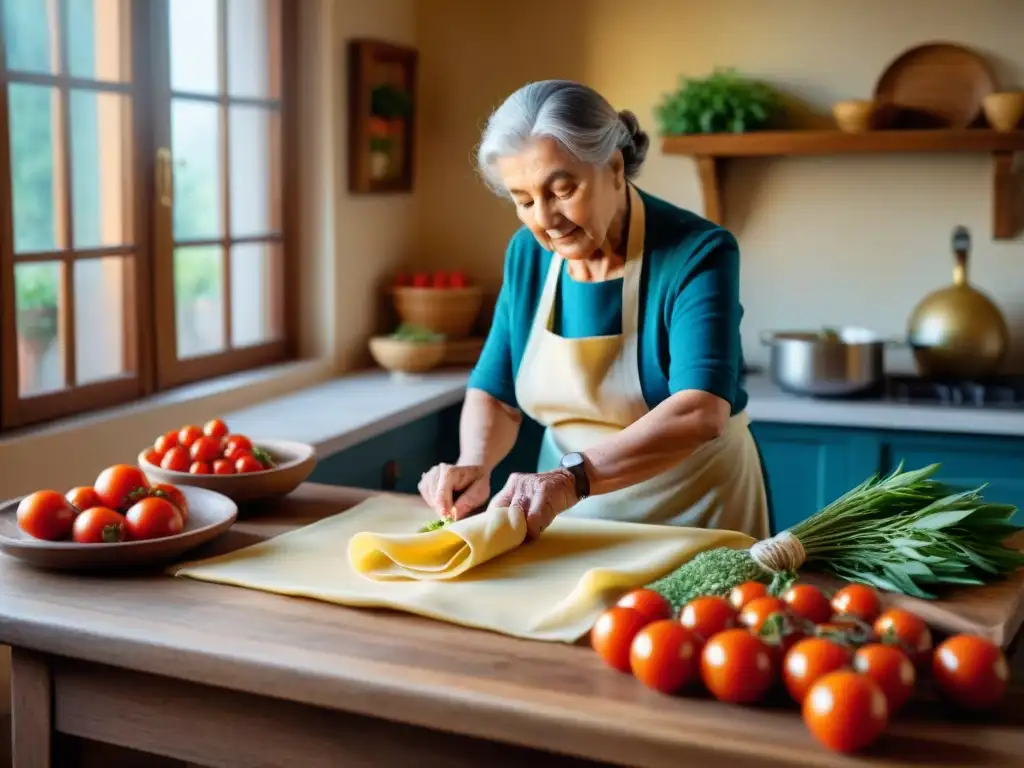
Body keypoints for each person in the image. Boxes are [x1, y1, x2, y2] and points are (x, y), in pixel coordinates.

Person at [418, 80, 769, 541]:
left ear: (615, 168)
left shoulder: (697, 251)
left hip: (693, 514)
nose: (544, 218)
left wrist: (572, 479)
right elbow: (496, 394)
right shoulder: (527, 253)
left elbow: (699, 412)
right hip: (565, 515)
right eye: (523, 201)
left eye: (562, 190)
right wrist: (474, 464)